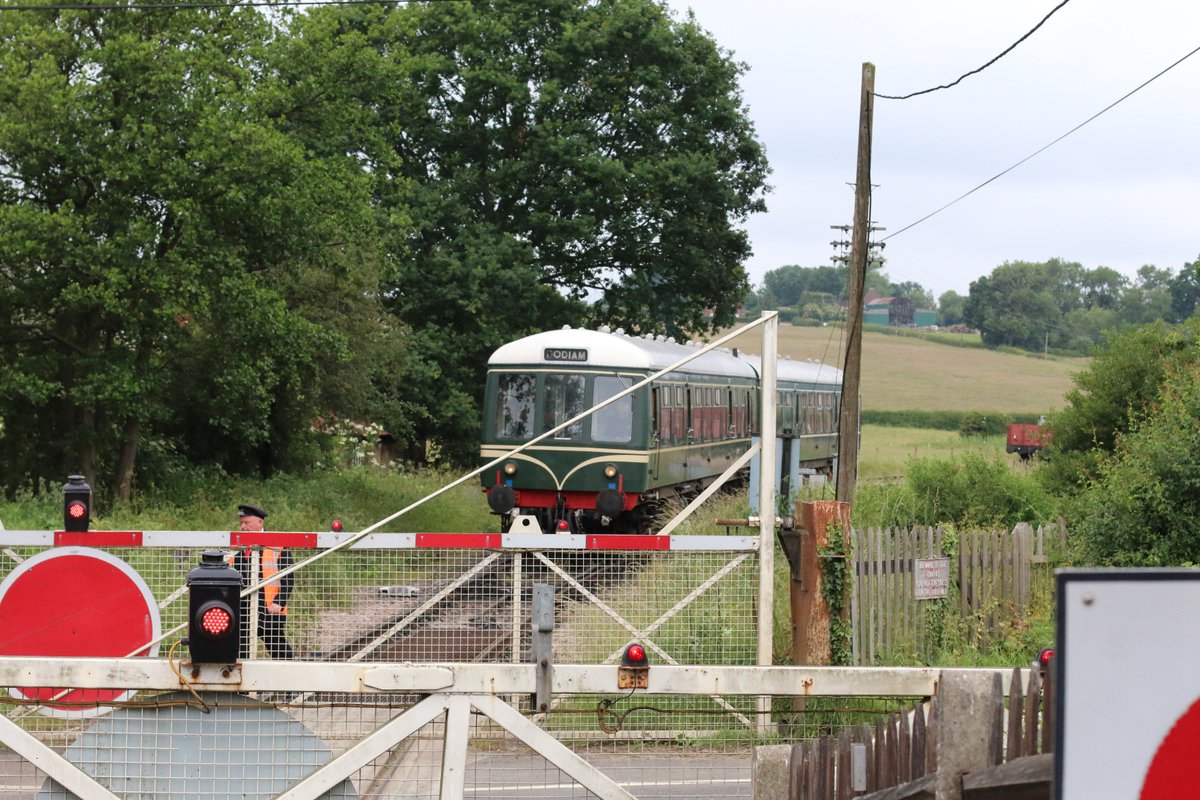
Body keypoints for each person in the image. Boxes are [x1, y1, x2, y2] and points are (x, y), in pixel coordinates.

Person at [228, 504, 295, 660]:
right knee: (240, 648)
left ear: (259, 523)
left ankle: (288, 677)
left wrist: (279, 603)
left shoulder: (277, 545)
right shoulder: (236, 546)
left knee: (277, 647)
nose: (243, 527)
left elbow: (288, 577)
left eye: (247, 523)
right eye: (241, 523)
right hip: (242, 607)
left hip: (269, 607)